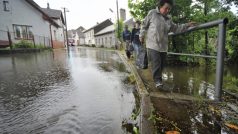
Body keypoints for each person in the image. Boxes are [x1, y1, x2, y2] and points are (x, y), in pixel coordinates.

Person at [139, 0, 196, 88]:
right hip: (152, 44)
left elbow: (176, 28)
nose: (168, 10)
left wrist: (187, 25)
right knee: (156, 63)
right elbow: (144, 25)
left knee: (161, 65)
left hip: (163, 46)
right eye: (166, 8)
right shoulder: (152, 13)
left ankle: (158, 80)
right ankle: (158, 81)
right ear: (160, 6)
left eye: (169, 9)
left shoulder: (169, 19)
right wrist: (141, 35)